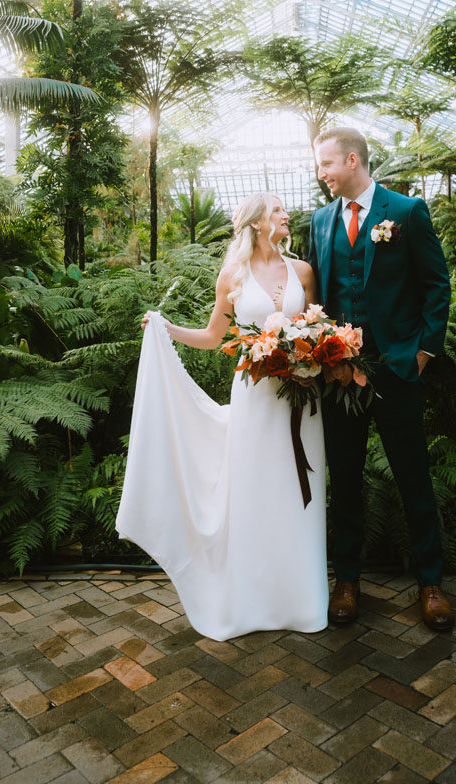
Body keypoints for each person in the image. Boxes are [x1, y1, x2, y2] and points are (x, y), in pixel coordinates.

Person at [115, 193, 329, 641]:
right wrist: (166, 328)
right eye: (276, 211)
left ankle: (302, 603)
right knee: (254, 494)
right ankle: (250, 602)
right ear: (255, 223)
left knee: (297, 492)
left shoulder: (303, 271)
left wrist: (312, 352)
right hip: (254, 400)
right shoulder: (232, 275)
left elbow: (318, 327)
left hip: (299, 399)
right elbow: (215, 336)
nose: (286, 215)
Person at [310, 127, 453, 632]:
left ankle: (431, 583)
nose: (321, 174)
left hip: (396, 371)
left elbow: (436, 285)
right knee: (344, 480)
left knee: (413, 477)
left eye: (326, 164)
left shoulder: (407, 212)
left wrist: (423, 352)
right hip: (338, 375)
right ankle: (347, 581)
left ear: (353, 160)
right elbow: (321, 297)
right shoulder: (320, 221)